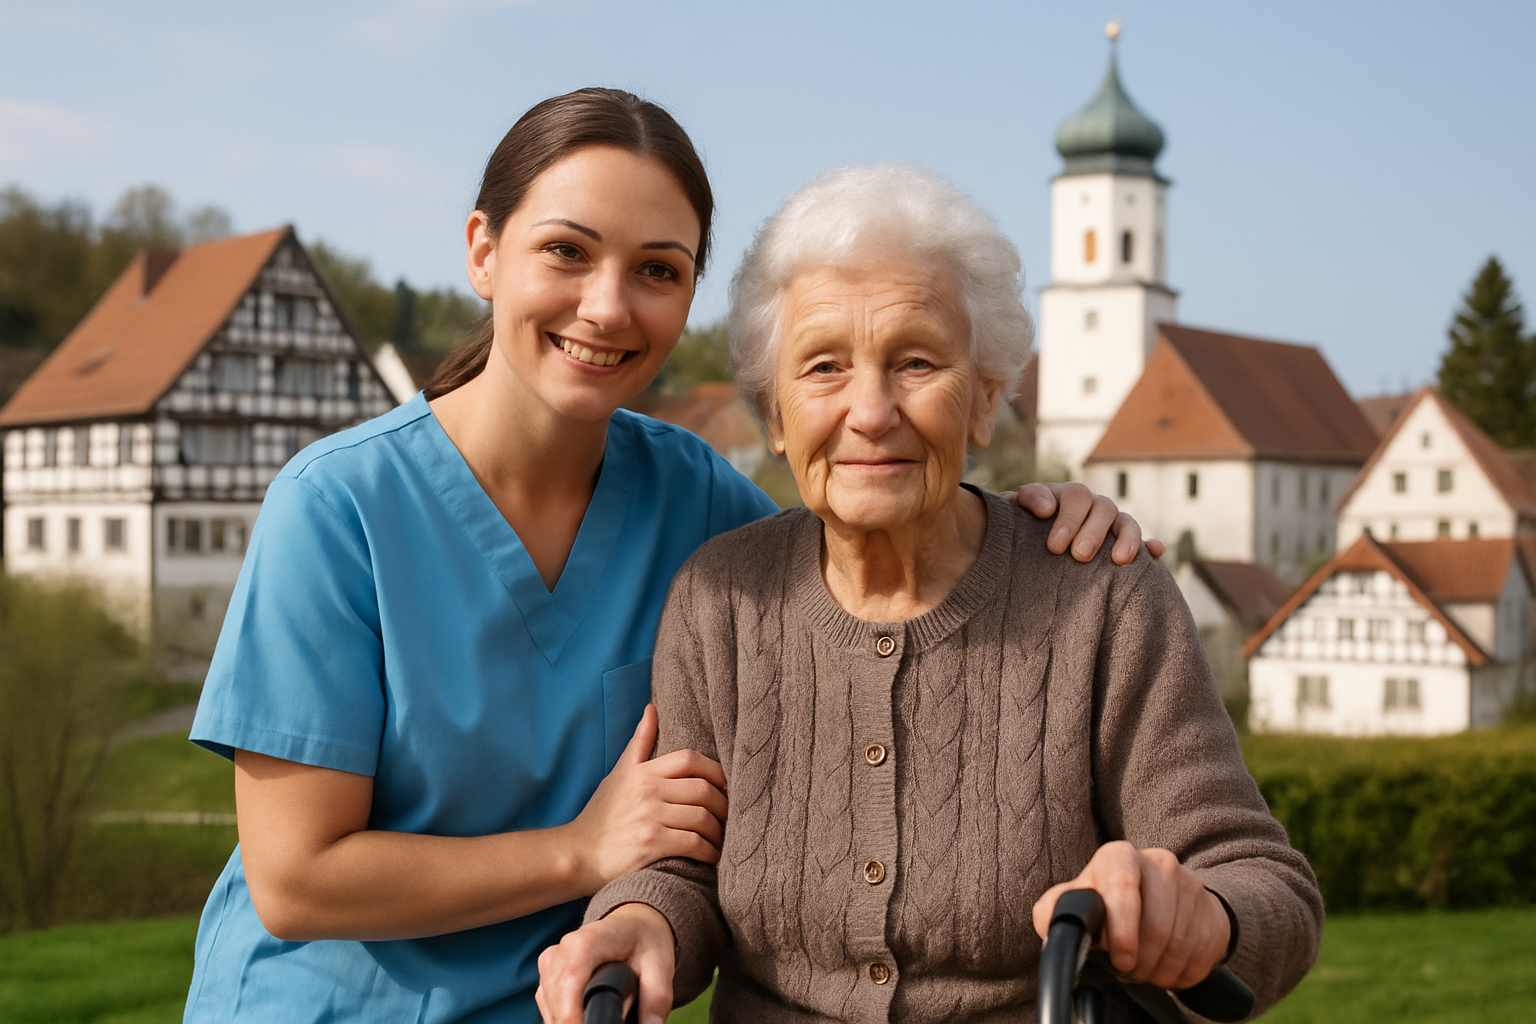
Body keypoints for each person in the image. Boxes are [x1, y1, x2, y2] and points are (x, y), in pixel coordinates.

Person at [183, 91, 1151, 1024]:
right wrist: (578, 851)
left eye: (657, 269)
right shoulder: (338, 505)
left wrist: (1039, 520)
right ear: (483, 251)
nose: (607, 307)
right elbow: (297, 880)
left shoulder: (699, 501)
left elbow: (869, 529)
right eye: (566, 251)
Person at [536, 164, 1323, 1024]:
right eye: (824, 367)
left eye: (916, 362)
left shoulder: (1103, 599)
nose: (871, 411)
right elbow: (682, 866)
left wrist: (1200, 914)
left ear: (986, 401)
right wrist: (638, 921)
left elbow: (1264, 885)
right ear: (773, 416)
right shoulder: (719, 599)